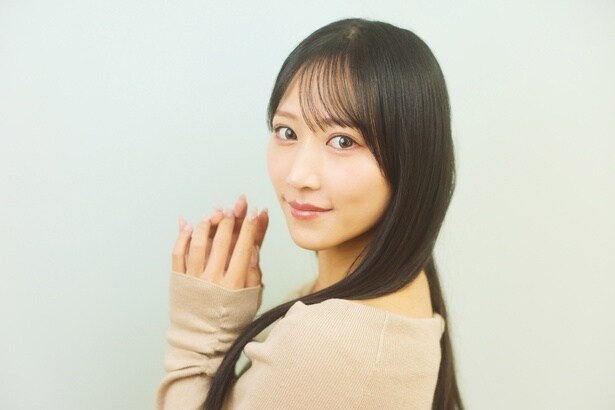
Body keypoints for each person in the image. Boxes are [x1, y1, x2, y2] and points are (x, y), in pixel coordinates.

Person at [157, 18, 464, 410]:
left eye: (343, 141)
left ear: (412, 158)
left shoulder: (326, 345)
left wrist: (200, 334)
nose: (298, 176)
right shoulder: (399, 287)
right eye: (287, 132)